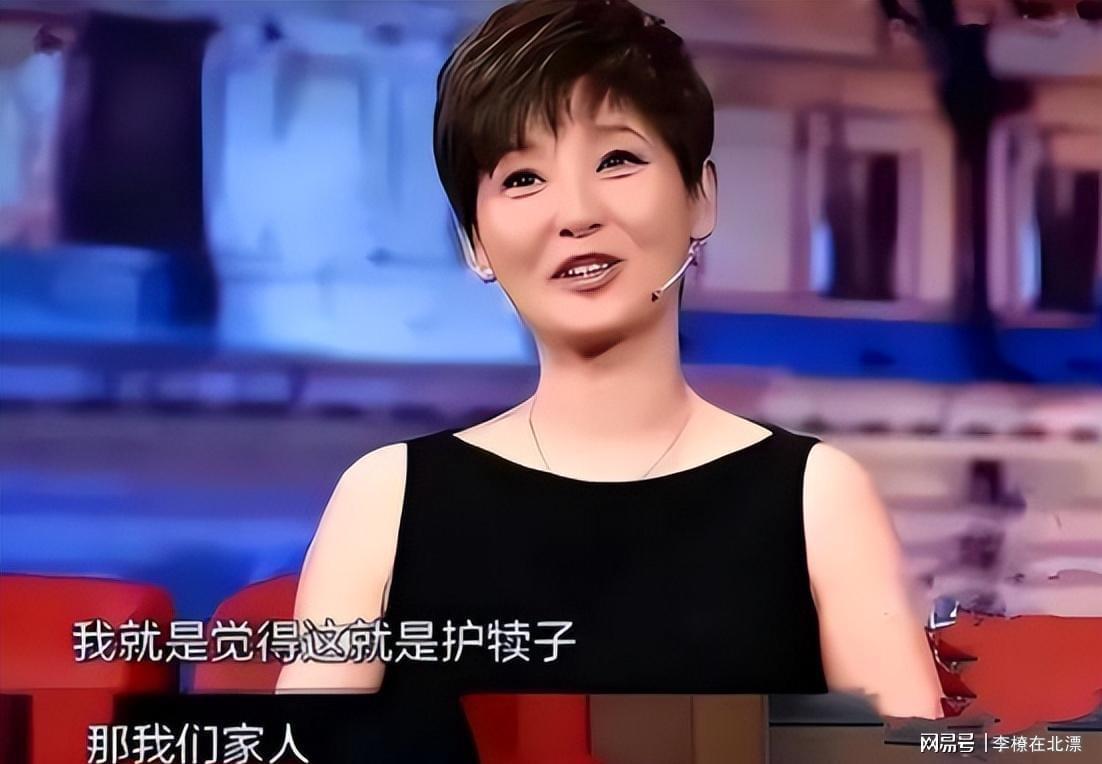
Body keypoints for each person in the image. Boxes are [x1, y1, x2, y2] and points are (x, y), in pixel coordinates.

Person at [276, 0, 944, 757]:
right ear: (475, 244)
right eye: (523, 177)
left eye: (617, 160)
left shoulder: (819, 498)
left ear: (700, 197)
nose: (576, 213)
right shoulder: (386, 500)